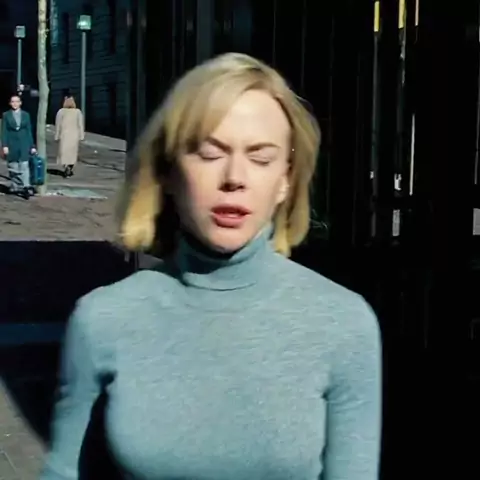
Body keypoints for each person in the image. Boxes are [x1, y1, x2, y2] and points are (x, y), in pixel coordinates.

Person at [41, 53, 382, 479]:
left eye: (261, 158)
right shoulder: (103, 319)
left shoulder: (344, 323)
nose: (234, 177)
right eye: (208, 152)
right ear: (168, 170)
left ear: (286, 180)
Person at [1, 94, 36, 199]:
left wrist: (32, 146)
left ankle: (26, 187)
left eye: (17, 101)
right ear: (10, 103)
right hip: (12, 144)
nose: (15, 103)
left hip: (24, 143)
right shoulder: (6, 115)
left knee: (24, 165)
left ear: (20, 103)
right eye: (13, 101)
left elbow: (29, 131)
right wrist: (4, 145)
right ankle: (16, 186)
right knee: (14, 167)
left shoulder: (26, 115)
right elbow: (4, 131)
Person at [54, 95, 84, 177]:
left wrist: (57, 135)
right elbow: (80, 124)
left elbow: (58, 124)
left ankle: (66, 166)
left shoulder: (61, 112)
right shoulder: (77, 112)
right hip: (74, 135)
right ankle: (70, 166)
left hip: (64, 135)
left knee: (64, 153)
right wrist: (81, 135)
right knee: (72, 153)